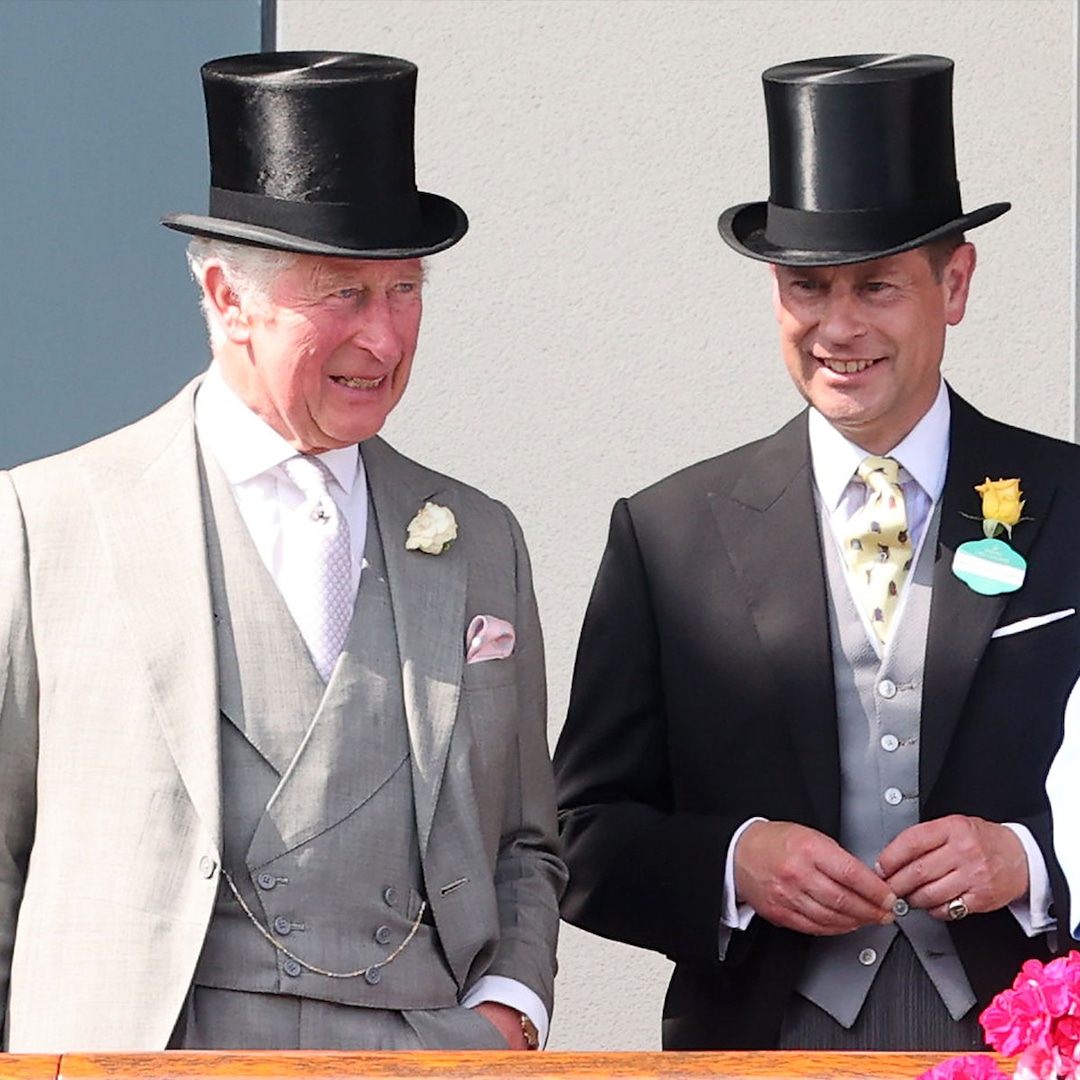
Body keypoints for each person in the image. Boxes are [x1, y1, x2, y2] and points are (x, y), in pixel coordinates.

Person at [0, 51, 565, 1053]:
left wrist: (510, 1013)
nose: (384, 339)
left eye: (404, 289)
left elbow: (525, 839)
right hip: (145, 1052)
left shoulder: (481, 537)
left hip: (424, 1053)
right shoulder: (46, 523)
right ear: (228, 296)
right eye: (343, 293)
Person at [555, 53, 1080, 1052]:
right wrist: (735, 864)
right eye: (807, 286)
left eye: (877, 286)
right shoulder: (668, 532)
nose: (838, 327)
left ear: (955, 283)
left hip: (1029, 1039)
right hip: (763, 1039)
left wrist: (1031, 861)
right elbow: (581, 834)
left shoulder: (1071, 501)